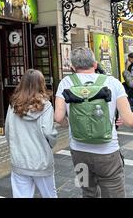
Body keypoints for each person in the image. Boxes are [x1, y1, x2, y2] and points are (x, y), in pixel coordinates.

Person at [55, 47, 133, 198]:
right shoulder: (112, 82)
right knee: (113, 192)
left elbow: (58, 118)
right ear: (95, 64)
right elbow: (129, 121)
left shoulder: (65, 82)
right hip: (107, 154)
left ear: (72, 67)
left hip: (78, 152)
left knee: (87, 191)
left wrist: (70, 123)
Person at [5, 69, 58, 198]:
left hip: (20, 160)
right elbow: (49, 132)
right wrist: (51, 144)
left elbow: (7, 131)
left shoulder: (13, 105)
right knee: (49, 194)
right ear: (41, 84)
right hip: (41, 160)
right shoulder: (46, 106)